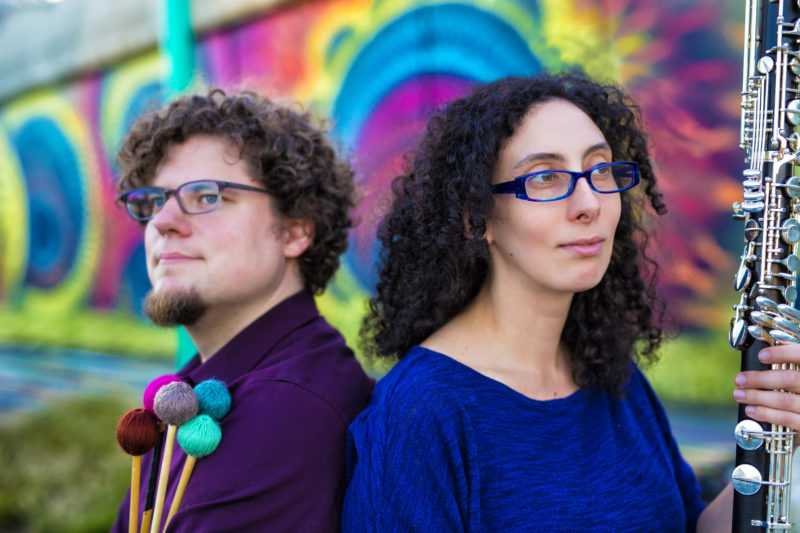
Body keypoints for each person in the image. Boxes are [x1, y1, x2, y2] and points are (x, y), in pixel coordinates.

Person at [341, 71, 800, 532]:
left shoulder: (613, 378)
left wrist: (784, 441)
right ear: (477, 220)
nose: (590, 203)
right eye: (545, 177)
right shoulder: (420, 414)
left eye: (600, 170)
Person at [111, 89, 373, 532]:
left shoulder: (283, 416)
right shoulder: (212, 385)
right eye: (154, 200)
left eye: (207, 195)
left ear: (294, 231)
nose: (161, 222)